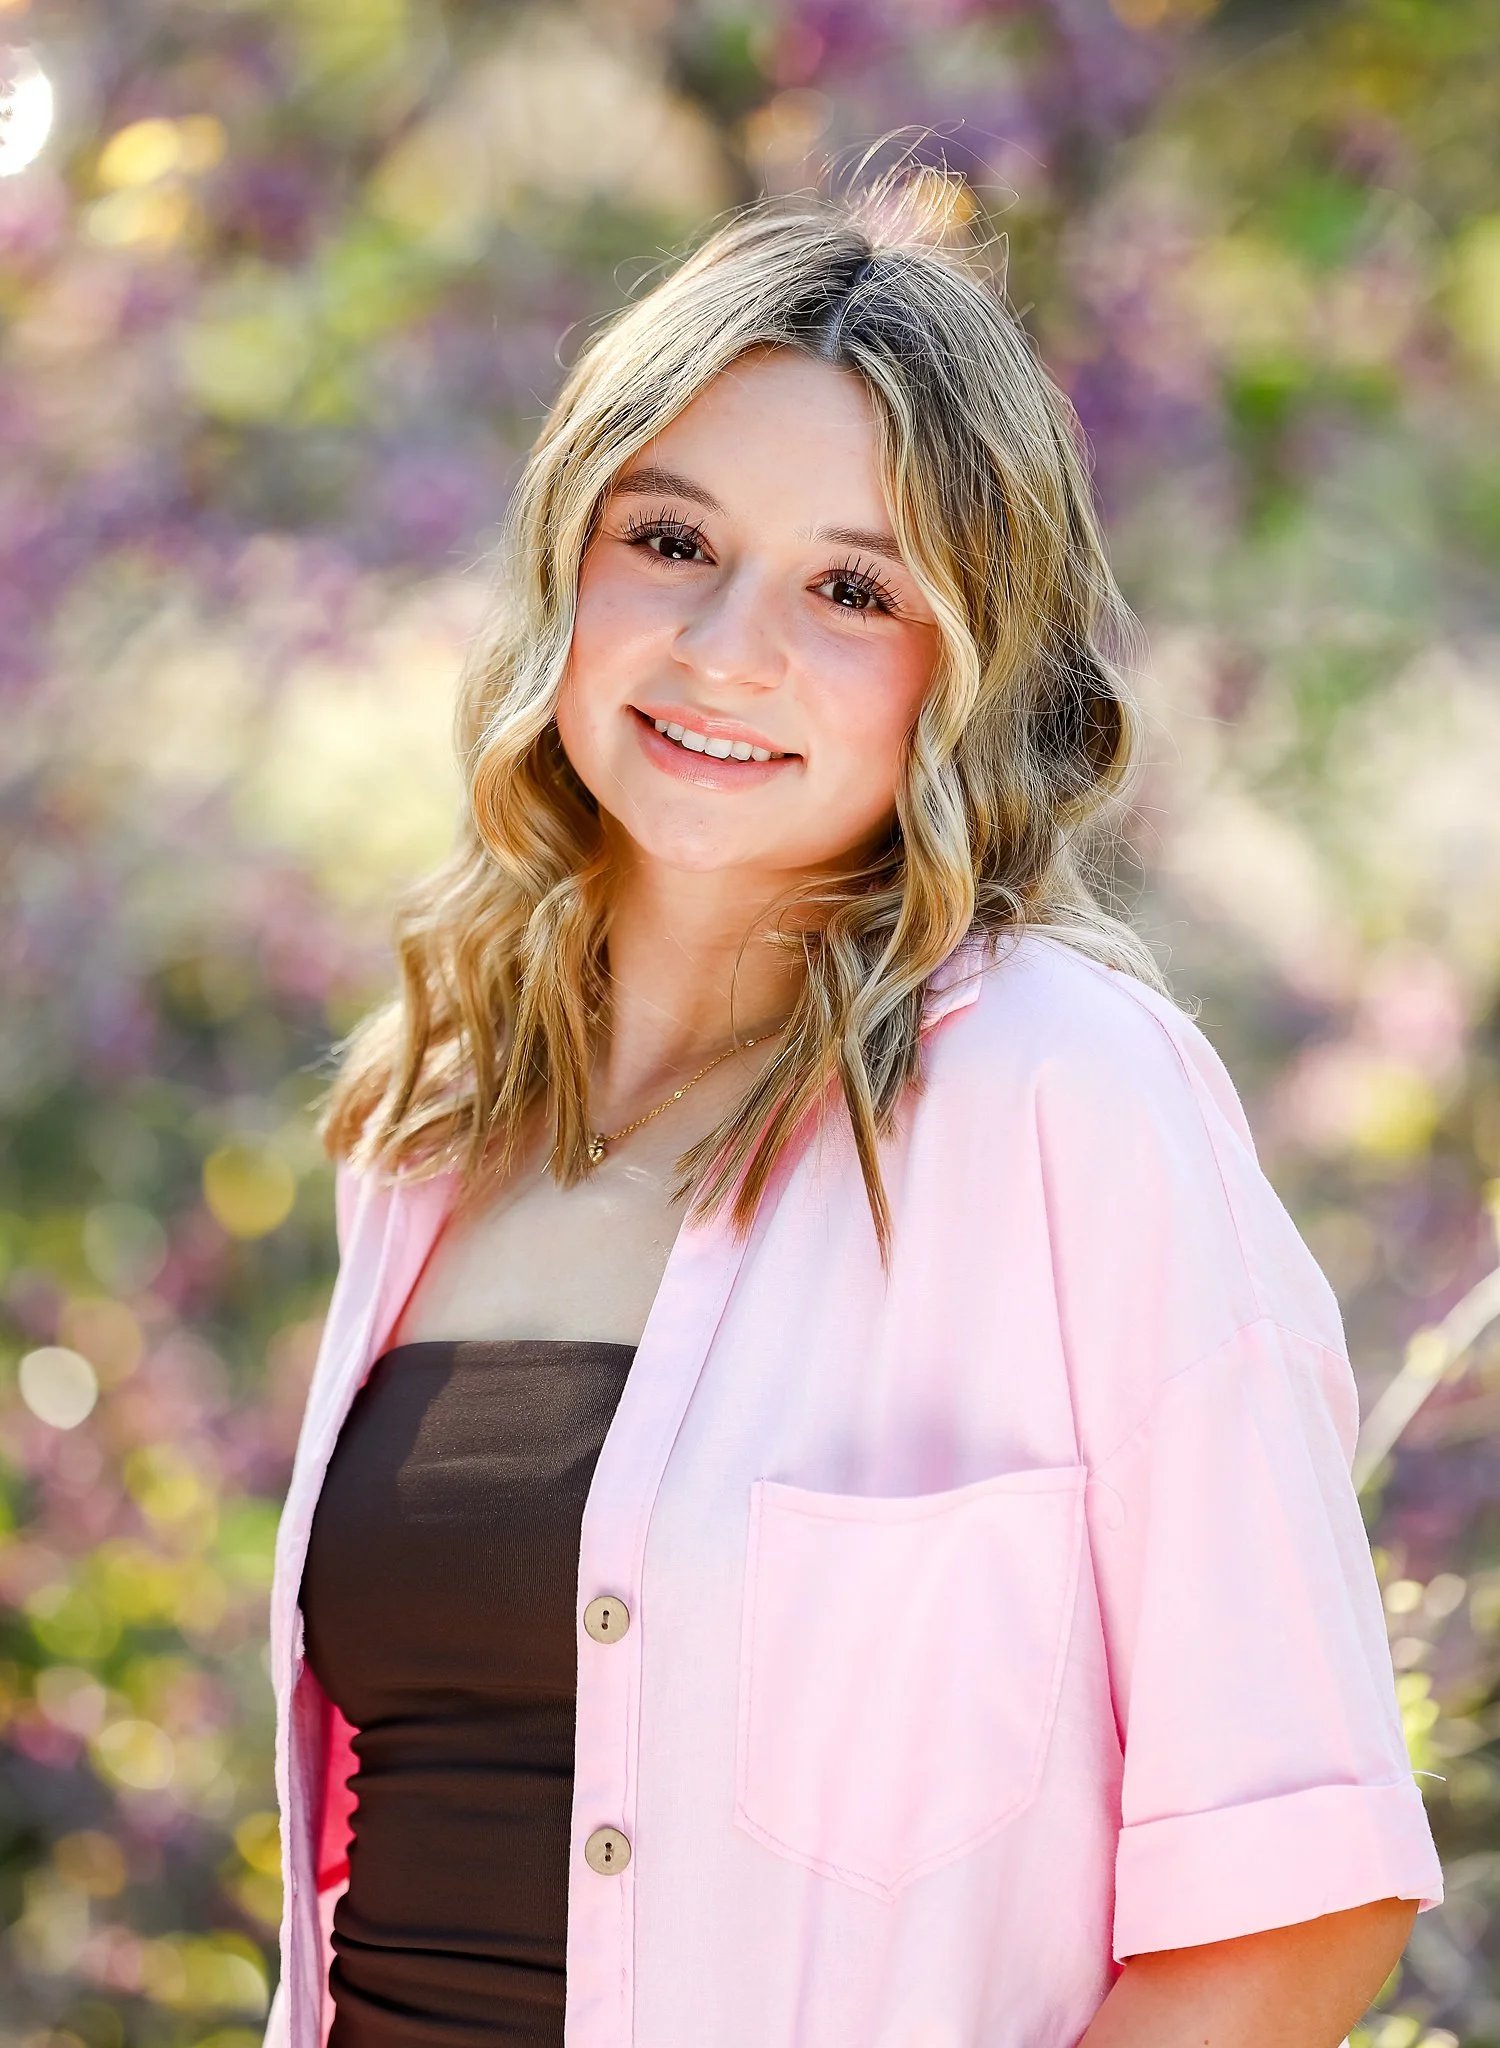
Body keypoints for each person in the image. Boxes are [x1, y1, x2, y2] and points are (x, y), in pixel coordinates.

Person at [264, 184, 1443, 2048]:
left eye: (851, 587)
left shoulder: (1072, 1095)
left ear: (965, 665)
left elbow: (1304, 1901)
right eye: (670, 540)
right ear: (570, 563)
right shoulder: (432, 1137)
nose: (728, 648)